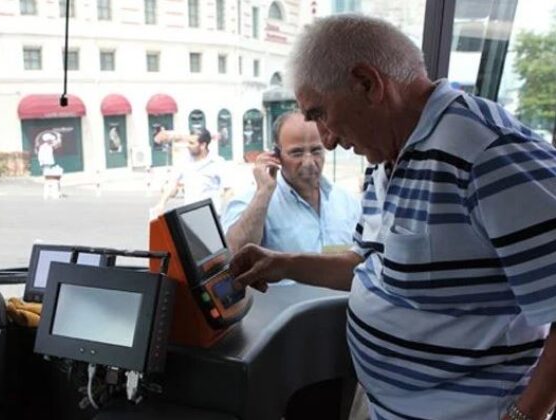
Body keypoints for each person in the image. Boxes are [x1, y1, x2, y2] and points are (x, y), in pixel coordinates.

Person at [230, 14, 556, 420]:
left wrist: (525, 416)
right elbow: (371, 266)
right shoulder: (385, 158)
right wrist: (283, 264)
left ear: (368, 84)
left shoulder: (488, 153)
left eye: (321, 114)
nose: (326, 139)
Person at [221, 111, 360, 254]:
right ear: (276, 155)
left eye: (316, 151)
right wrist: (263, 194)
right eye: (297, 153)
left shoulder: (347, 202)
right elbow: (235, 253)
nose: (309, 162)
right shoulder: (250, 203)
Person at [152, 128, 232, 215]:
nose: (188, 145)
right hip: (189, 214)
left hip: (211, 215)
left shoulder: (217, 162)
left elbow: (229, 190)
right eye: (188, 142)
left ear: (203, 145)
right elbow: (172, 183)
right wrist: (161, 203)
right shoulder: (183, 161)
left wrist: (225, 211)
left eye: (191, 143)